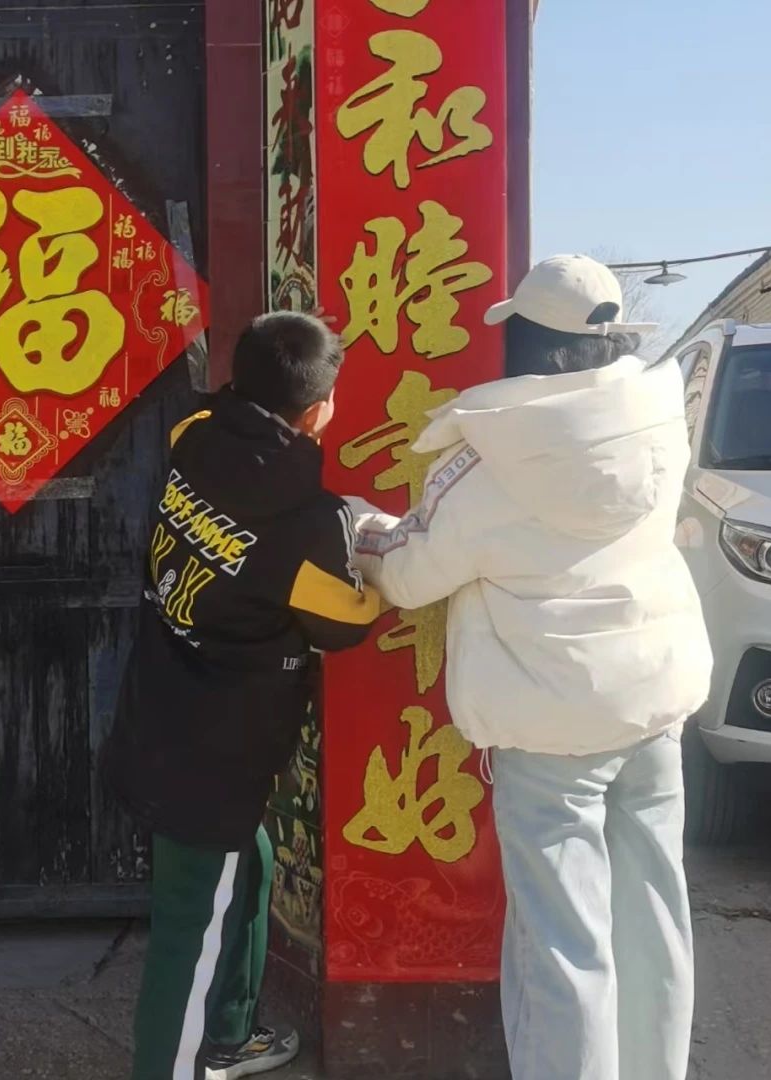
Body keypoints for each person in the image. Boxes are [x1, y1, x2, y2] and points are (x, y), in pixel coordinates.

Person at [346, 255, 713, 1080]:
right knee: (655, 919)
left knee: (564, 943)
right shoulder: (660, 422)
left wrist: (365, 529)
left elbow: (410, 575)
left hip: (549, 726)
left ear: (527, 340)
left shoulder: (493, 457)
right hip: (656, 700)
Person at [103, 312, 381, 1080]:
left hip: (162, 708)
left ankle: (228, 1033)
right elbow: (345, 623)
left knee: (250, 863)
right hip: (217, 752)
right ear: (319, 411)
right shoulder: (306, 522)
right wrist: (370, 542)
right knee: (186, 930)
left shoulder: (192, 434)